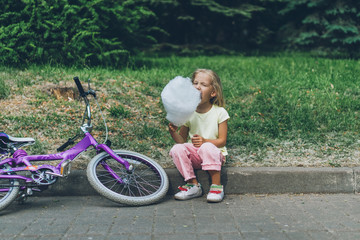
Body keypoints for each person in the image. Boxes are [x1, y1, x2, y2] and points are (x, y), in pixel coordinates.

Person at [168, 69, 230, 203]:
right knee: (176, 149)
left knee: (207, 147)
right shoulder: (189, 113)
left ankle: (216, 187)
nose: (197, 86)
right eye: (195, 83)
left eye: (203, 84)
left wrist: (205, 141)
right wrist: (173, 131)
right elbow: (181, 141)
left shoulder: (220, 112)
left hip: (215, 153)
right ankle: (193, 185)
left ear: (213, 92)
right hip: (196, 155)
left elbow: (222, 141)